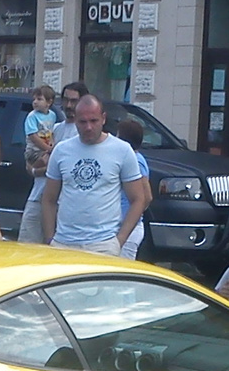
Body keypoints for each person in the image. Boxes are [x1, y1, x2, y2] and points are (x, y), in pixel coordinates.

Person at [41, 94, 149, 257]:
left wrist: (119, 241)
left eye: (94, 121)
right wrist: (50, 238)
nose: (88, 127)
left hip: (103, 244)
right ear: (75, 120)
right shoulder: (61, 150)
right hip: (63, 243)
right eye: (83, 122)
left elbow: (139, 199)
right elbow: (49, 198)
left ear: (103, 119)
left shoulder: (122, 150)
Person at [20, 81, 87, 245]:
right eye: (65, 100)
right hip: (37, 197)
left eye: (74, 101)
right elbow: (31, 165)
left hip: (62, 204)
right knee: (27, 248)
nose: (69, 105)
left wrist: (46, 168)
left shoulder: (83, 134)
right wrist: (39, 169)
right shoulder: (54, 128)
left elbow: (67, 170)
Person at [114, 117, 150, 260]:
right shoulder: (129, 158)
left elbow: (147, 197)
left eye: (117, 135)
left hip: (129, 229)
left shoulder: (136, 161)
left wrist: (132, 216)